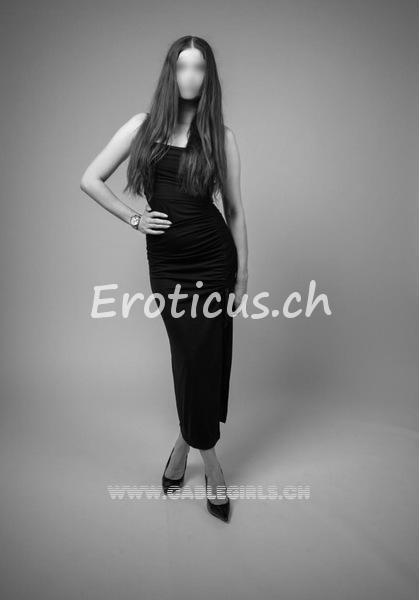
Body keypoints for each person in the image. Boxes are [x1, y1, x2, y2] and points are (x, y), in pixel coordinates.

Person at [80, 35, 248, 522]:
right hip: (170, 266)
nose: (190, 77)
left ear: (209, 76)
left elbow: (235, 210)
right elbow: (90, 179)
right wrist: (135, 219)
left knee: (204, 359)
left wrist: (242, 273)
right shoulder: (143, 126)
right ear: (170, 73)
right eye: (182, 67)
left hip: (214, 260)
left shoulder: (221, 136)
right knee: (190, 356)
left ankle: (187, 452)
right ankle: (208, 459)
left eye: (199, 68)